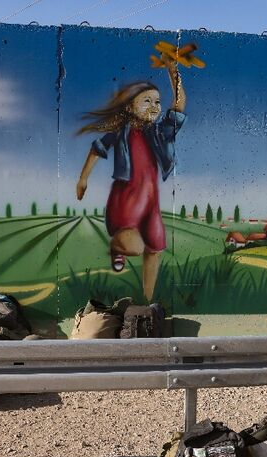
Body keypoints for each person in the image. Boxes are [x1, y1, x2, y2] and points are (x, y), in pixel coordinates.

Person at [75, 59, 185, 302]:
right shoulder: (121, 131)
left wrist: (173, 72)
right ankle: (118, 248)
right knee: (135, 246)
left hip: (150, 204)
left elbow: (178, 106)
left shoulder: (158, 132)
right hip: (126, 200)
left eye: (157, 102)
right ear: (129, 106)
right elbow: (97, 149)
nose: (154, 106)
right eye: (147, 101)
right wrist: (83, 179)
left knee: (154, 251)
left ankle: (147, 300)